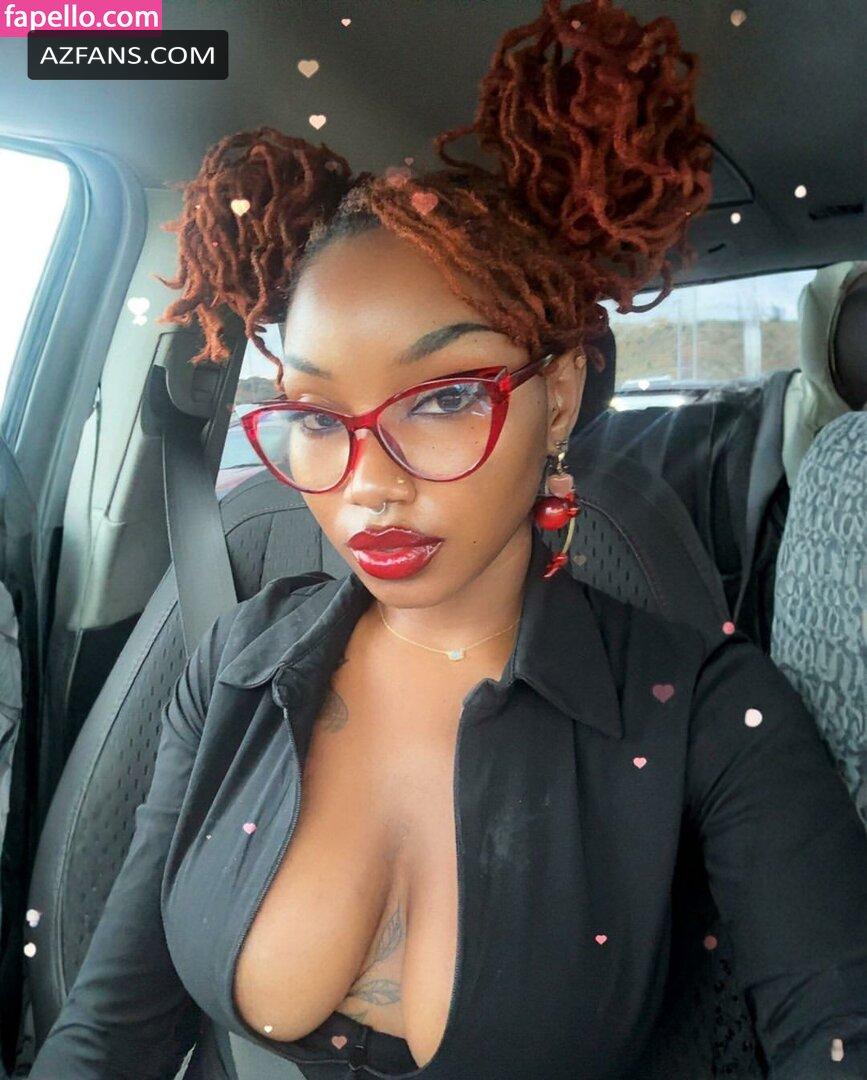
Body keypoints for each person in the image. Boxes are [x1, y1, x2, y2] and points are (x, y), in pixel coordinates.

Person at [29, 1, 867, 1077]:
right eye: (317, 416)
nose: (367, 484)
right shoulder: (234, 664)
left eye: (443, 399)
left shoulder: (712, 714)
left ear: (558, 396)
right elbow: (109, 1030)